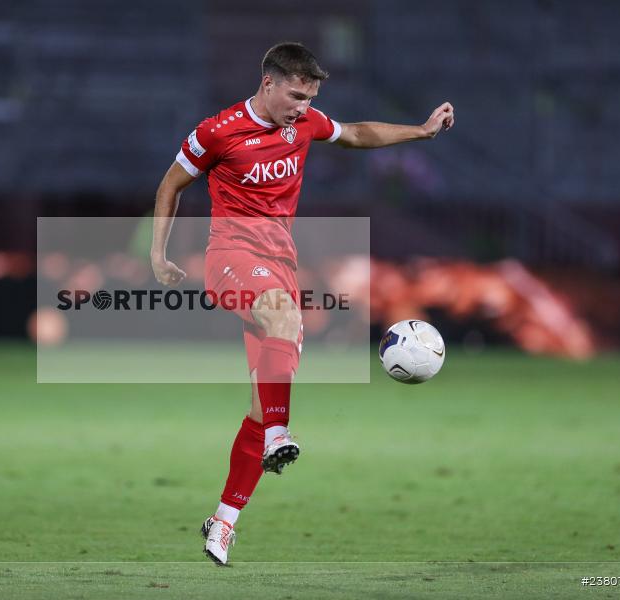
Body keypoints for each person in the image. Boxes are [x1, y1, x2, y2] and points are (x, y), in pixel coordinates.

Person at [150, 42, 454, 566]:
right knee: (284, 321)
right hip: (230, 256)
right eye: (295, 95)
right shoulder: (216, 132)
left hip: (280, 265)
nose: (302, 106)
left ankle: (222, 520)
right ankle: (278, 432)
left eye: (310, 97)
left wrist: (420, 131)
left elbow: (356, 133)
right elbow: (170, 186)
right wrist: (157, 255)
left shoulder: (306, 124)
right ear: (268, 83)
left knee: (260, 397)